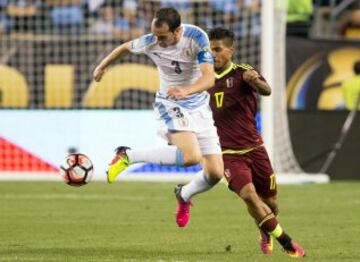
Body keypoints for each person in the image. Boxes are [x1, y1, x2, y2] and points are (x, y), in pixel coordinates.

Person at [93, 7, 224, 228]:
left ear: (178, 31)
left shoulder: (196, 37)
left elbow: (209, 78)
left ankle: (184, 194)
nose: (157, 41)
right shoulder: (150, 41)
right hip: (170, 102)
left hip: (198, 105)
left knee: (215, 173)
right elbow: (124, 47)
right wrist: (101, 66)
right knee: (191, 156)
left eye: (162, 36)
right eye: (155, 34)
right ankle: (128, 156)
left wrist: (187, 90)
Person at [207, 27, 305, 258]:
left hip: (255, 148)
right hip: (228, 153)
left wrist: (256, 82)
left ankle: (264, 228)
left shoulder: (244, 72)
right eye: (210, 49)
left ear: (231, 50)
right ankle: (288, 243)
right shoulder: (204, 78)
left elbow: (267, 90)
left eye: (218, 49)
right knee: (250, 195)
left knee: (271, 204)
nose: (213, 54)